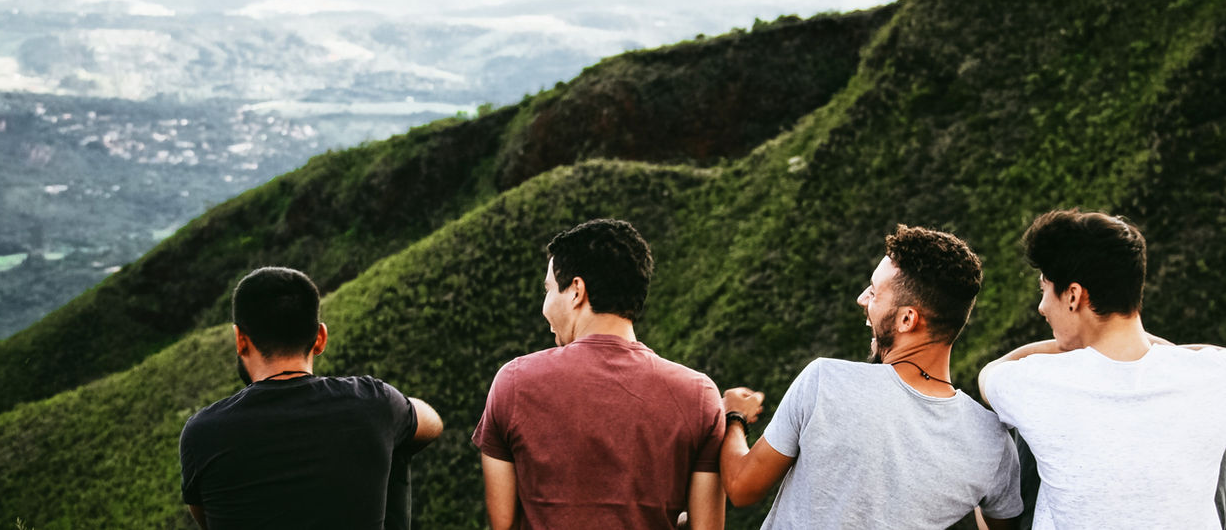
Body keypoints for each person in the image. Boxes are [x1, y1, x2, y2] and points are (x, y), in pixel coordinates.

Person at [721, 224, 1024, 529]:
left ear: (907, 319)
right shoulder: (992, 443)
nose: (861, 299)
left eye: (874, 292)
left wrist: (735, 416)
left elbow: (741, 487)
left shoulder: (825, 382)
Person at [979, 209, 1226, 529]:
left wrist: (1068, 344)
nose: (1042, 307)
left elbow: (990, 375)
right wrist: (1148, 343)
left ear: (1073, 295)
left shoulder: (1037, 381)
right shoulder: (1214, 377)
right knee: (1212, 421)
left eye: (1044, 289)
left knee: (1009, 434)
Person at [473, 219, 726, 530]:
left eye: (549, 289)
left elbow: (503, 523)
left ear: (577, 290)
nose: (545, 306)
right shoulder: (699, 396)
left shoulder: (514, 382)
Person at [179, 266, 444, 529]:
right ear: (320, 338)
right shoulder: (374, 403)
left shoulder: (202, 433)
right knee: (396, 442)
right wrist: (391, 413)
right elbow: (433, 424)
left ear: (240, 340)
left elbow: (208, 519)